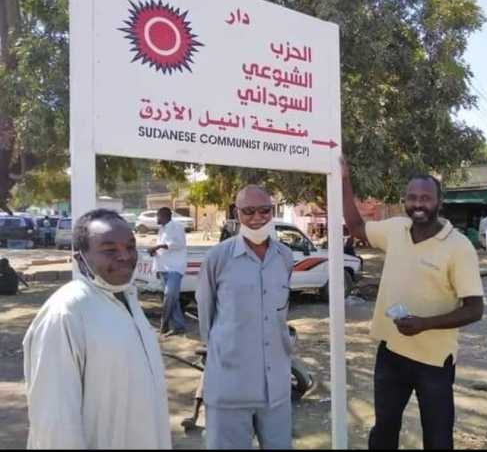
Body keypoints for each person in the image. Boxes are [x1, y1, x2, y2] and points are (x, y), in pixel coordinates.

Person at [340, 156, 484, 450]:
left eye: (426, 198)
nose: (419, 204)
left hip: (434, 362)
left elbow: (474, 308)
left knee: (438, 438)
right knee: (383, 433)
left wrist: (424, 324)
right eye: (413, 198)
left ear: (439, 202)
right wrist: (343, 178)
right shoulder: (395, 229)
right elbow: (355, 226)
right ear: (405, 200)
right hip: (391, 353)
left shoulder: (459, 247)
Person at [22, 209, 171, 449]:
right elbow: (55, 423)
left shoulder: (127, 298)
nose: (124, 256)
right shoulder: (66, 313)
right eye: (109, 250)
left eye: (130, 246)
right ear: (80, 258)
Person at [196, 185, 294, 449]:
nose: (257, 218)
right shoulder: (217, 258)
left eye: (264, 210)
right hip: (230, 389)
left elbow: (280, 317)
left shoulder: (285, 257)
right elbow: (207, 319)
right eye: (248, 211)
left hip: (276, 391)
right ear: (236, 212)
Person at [149, 207, 188, 337]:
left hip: (174, 268)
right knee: (173, 299)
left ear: (164, 215)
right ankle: (179, 326)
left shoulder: (177, 226)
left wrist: (159, 246)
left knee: (169, 295)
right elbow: (162, 250)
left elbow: (179, 244)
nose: (156, 219)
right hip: (163, 268)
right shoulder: (162, 229)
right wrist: (156, 265)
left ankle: (164, 323)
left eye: (158, 216)